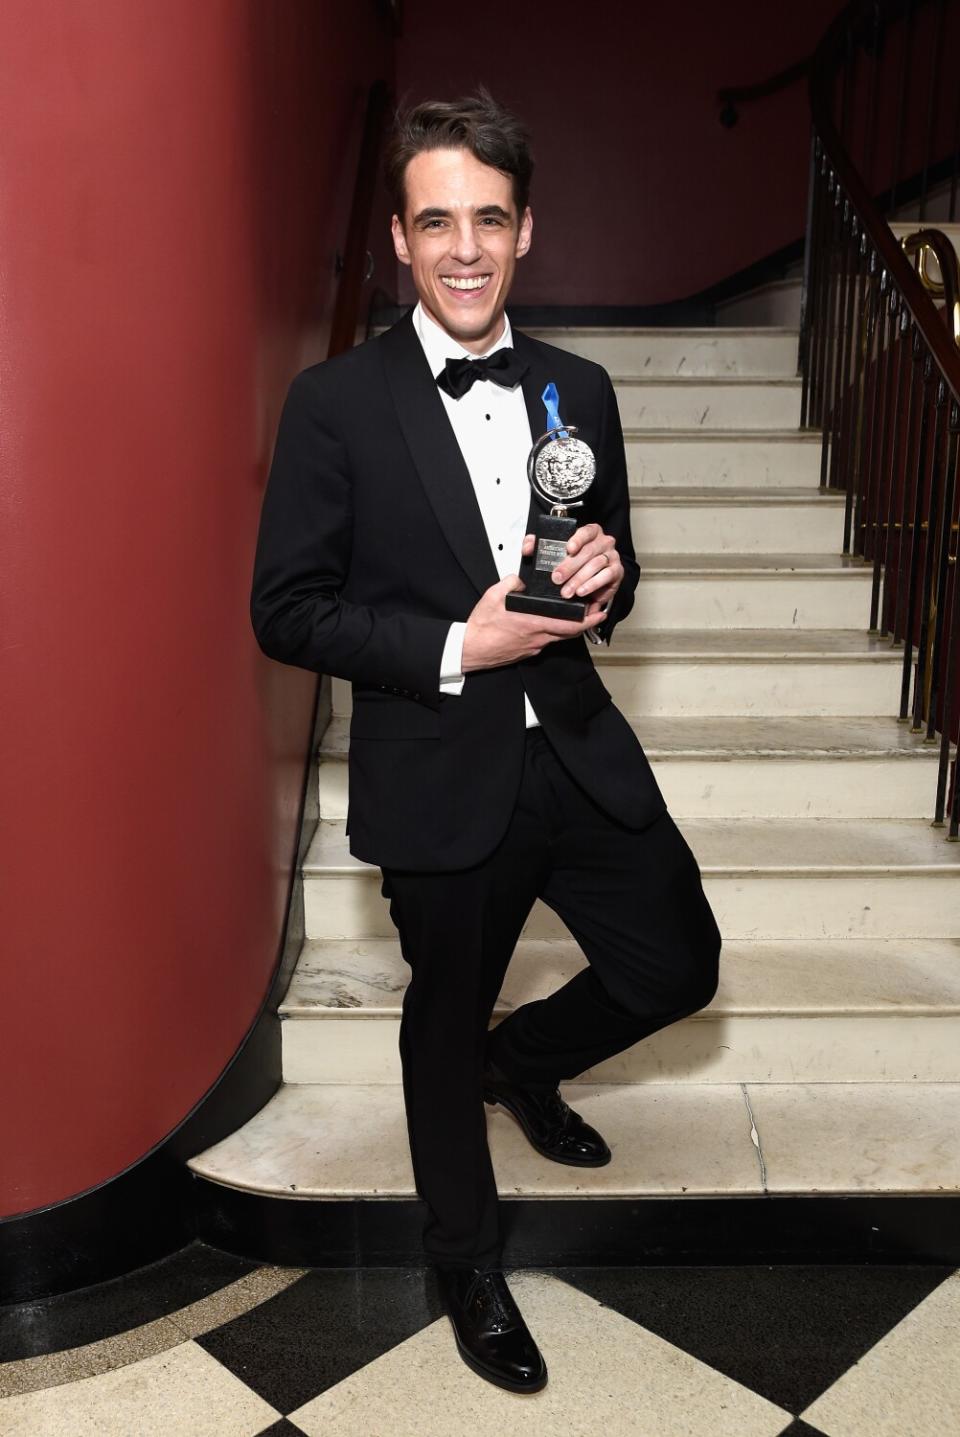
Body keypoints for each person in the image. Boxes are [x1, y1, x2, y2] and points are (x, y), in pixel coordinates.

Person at [250, 90, 722, 1395]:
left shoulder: (584, 387)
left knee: (678, 960)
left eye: (490, 219)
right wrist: (460, 644)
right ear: (401, 239)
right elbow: (284, 609)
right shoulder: (333, 403)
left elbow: (600, 564)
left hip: (574, 748)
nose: (466, 246)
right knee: (439, 1021)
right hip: (438, 771)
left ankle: (533, 1058)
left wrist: (609, 580)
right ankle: (463, 1258)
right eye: (437, 220)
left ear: (527, 232)